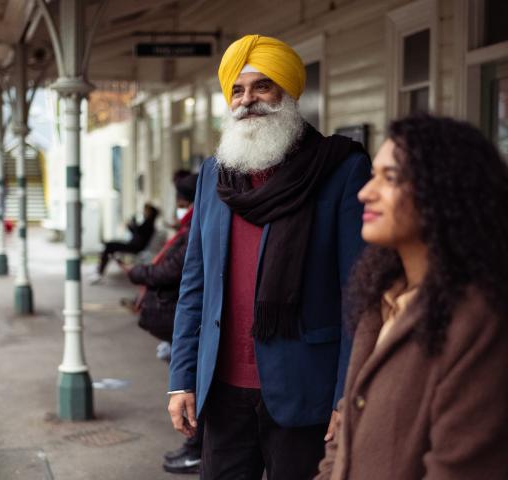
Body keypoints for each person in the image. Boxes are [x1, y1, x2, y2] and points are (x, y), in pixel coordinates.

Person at [167, 34, 371, 480]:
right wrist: (182, 378)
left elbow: (358, 296)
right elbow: (194, 285)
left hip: (305, 391)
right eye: (237, 90)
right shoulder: (214, 174)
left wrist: (346, 397)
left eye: (262, 86)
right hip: (221, 391)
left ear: (287, 91)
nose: (248, 100)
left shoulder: (340, 169)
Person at [315, 114, 508, 479]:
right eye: (373, 175)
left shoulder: (479, 321)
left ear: (444, 190)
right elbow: (345, 434)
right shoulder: (381, 298)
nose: (365, 192)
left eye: (390, 178)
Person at [121, 174, 205, 474]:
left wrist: (138, 273)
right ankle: (193, 446)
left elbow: (176, 269)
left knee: (193, 385)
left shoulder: (200, 222)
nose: (179, 206)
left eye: (181, 200)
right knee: (183, 378)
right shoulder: (189, 224)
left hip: (190, 318)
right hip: (183, 315)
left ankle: (196, 448)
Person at [90, 203, 159, 284]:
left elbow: (138, 232)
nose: (144, 212)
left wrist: (132, 224)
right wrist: (131, 226)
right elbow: (137, 232)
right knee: (109, 246)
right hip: (132, 245)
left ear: (150, 212)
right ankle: (100, 270)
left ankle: (99, 272)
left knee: (109, 246)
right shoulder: (147, 222)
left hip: (135, 247)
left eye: (146, 210)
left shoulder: (149, 224)